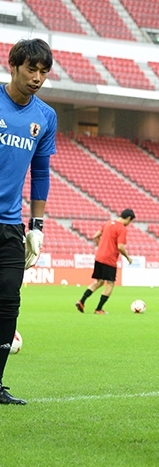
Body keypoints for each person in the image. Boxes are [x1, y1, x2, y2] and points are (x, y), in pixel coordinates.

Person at [0, 39, 57, 405]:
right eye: (31, 69)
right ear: (13, 66)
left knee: (8, 302)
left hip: (9, 225)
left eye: (43, 72)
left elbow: (40, 173)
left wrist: (36, 226)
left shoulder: (45, 116)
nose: (37, 78)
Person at [75, 209, 135, 314]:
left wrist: (102, 248)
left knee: (99, 282)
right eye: (130, 221)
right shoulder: (122, 229)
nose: (129, 224)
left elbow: (95, 236)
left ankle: (81, 301)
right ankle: (98, 309)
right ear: (129, 218)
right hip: (109, 259)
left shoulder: (108, 223)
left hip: (99, 257)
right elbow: (120, 246)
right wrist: (127, 257)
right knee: (110, 284)